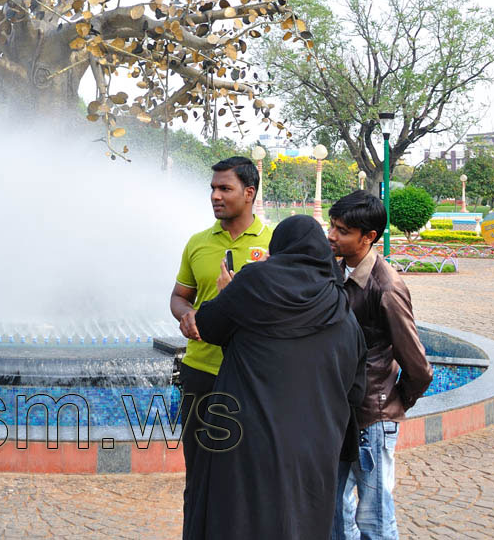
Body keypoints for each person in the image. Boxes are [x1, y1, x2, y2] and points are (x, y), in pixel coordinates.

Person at [183, 215, 367, 540]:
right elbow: (355, 389)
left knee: (239, 520)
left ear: (278, 249)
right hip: (315, 446)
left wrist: (228, 291)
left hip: (248, 439)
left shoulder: (253, 285)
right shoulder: (342, 310)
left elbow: (208, 325)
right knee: (303, 523)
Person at [170, 156, 274, 527]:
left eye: (225, 188)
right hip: (201, 372)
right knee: (198, 473)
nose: (215, 196)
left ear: (249, 193)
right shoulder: (197, 243)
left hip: (253, 376)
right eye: (213, 188)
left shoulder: (274, 244)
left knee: (248, 475)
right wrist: (186, 314)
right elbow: (179, 296)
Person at [327, 191, 434, 540]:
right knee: (335, 511)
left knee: (375, 518)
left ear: (369, 236)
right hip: (339, 413)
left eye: (342, 231)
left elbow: (418, 367)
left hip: (372, 419)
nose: (331, 235)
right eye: (332, 226)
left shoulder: (386, 287)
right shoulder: (336, 271)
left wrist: (391, 402)